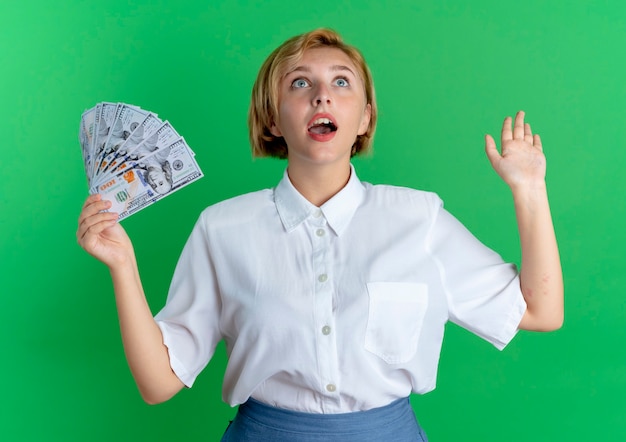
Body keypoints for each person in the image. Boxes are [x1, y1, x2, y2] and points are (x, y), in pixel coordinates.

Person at [77, 28, 563, 441]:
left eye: (341, 83)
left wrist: (529, 191)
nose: (322, 96)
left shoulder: (420, 217)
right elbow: (158, 383)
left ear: (365, 117)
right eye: (301, 83)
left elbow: (541, 312)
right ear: (272, 118)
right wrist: (123, 266)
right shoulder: (222, 228)